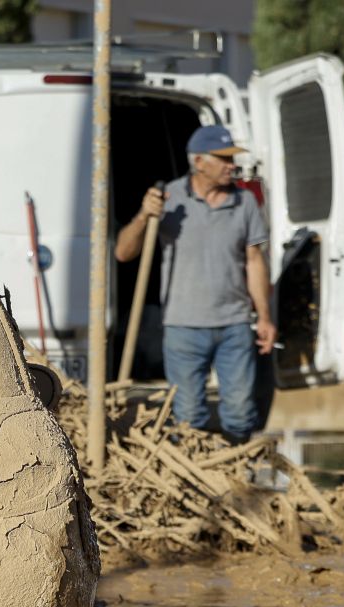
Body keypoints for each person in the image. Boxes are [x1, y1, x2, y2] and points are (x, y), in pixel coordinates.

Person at [115, 123, 276, 443]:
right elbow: (123, 252)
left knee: (242, 411)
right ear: (199, 162)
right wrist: (144, 216)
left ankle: (237, 477)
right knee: (188, 415)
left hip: (234, 324)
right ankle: (196, 480)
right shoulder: (169, 199)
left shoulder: (244, 203)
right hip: (183, 326)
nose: (233, 165)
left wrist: (265, 317)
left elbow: (255, 261)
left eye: (233, 158)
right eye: (224, 158)